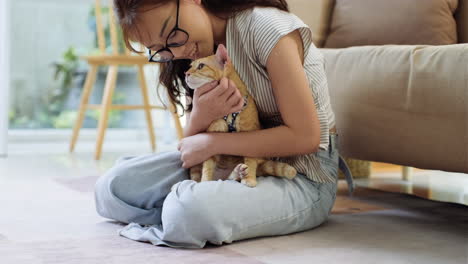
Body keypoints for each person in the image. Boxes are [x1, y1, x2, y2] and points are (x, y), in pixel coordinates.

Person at [94, 0, 355, 249]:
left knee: (189, 210)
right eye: (160, 49)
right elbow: (191, 150)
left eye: (171, 36)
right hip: (225, 162)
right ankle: (200, 206)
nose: (176, 52)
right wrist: (199, 117)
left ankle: (192, 208)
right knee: (111, 188)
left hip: (300, 174)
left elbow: (306, 137)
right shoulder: (196, 51)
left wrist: (212, 142)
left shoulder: (266, 28)